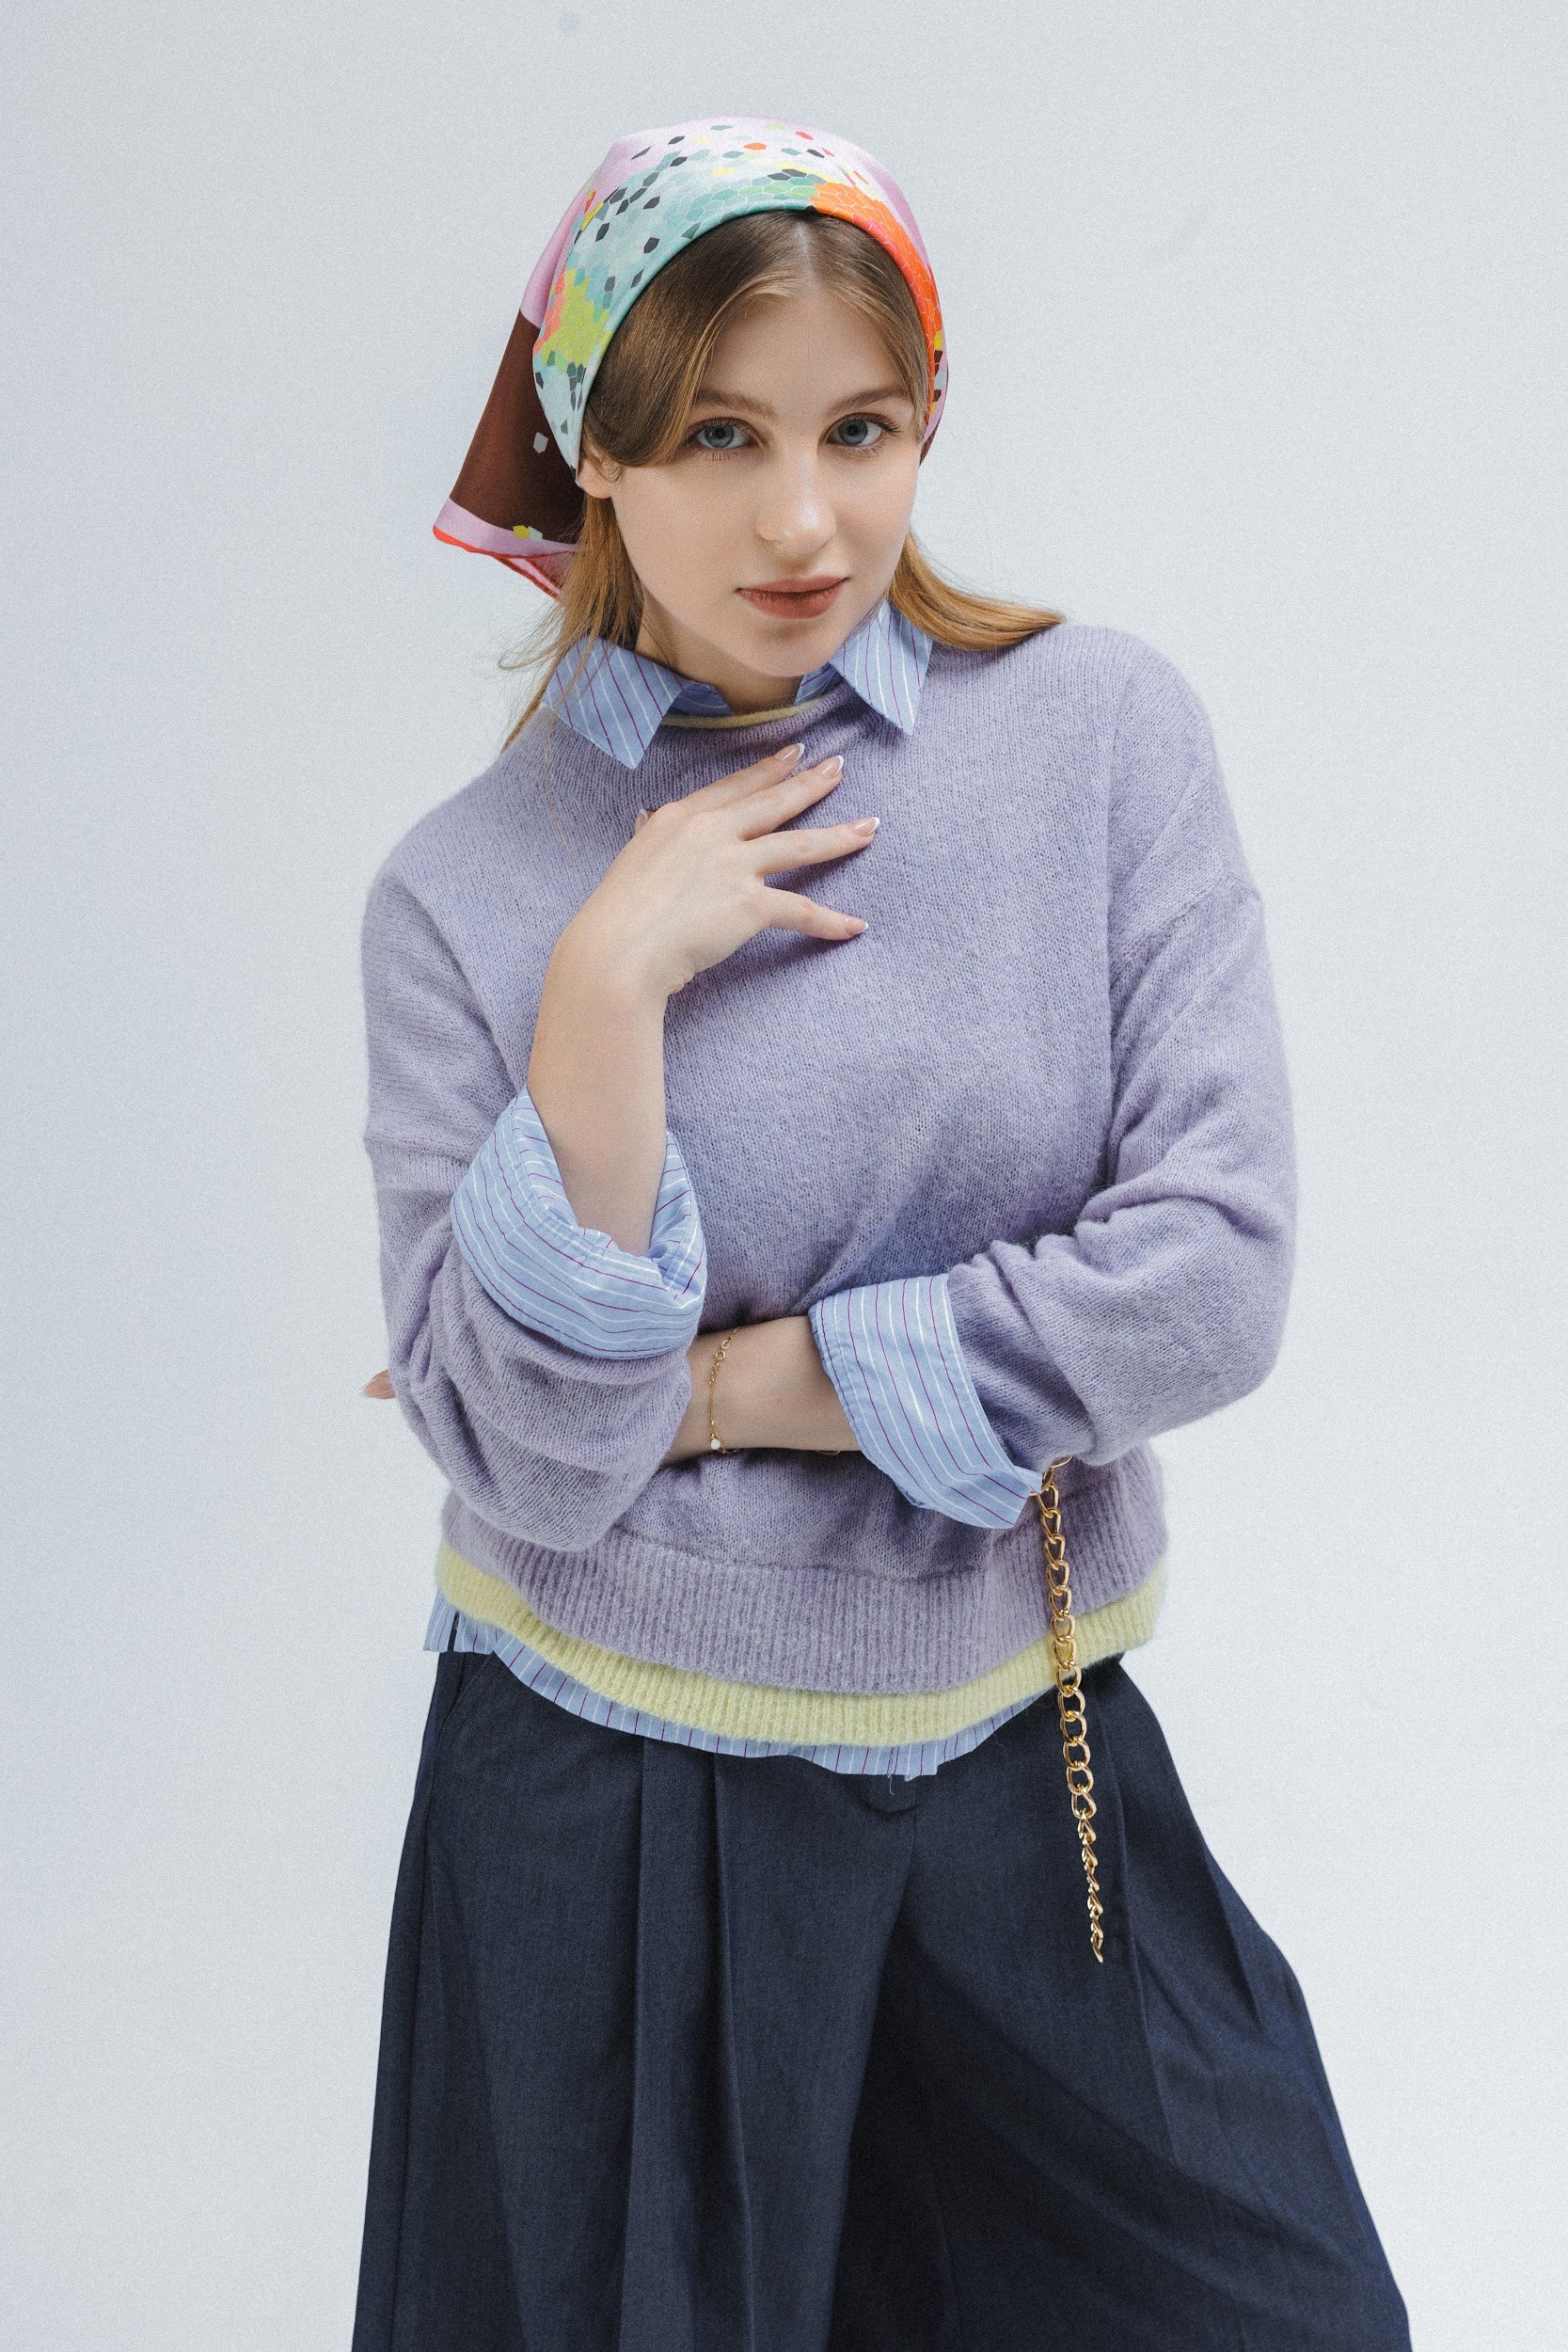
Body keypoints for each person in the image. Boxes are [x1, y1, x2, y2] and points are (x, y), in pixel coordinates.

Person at [352, 115, 1410, 2351]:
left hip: (1030, 1762)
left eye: (862, 427)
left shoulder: (1100, 739)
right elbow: (546, 1464)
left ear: (930, 423)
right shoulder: (470, 894)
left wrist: (730, 1383)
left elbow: (1212, 1270)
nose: (803, 516)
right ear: (594, 455)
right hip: (615, 1805)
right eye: (719, 435)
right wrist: (603, 993)